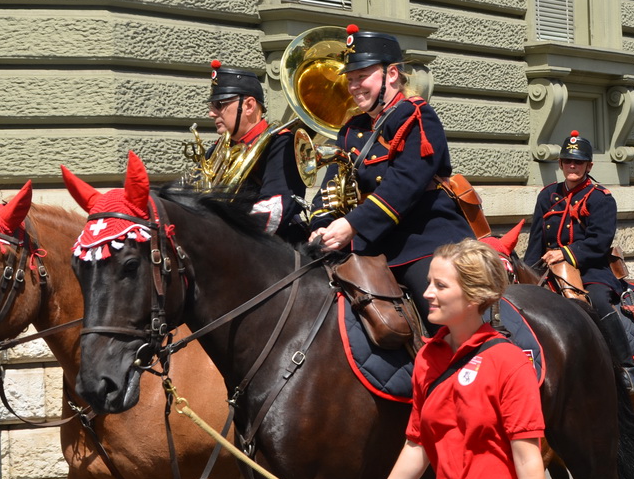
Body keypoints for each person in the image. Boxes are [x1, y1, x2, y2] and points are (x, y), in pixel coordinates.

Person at [343, 239, 560, 479]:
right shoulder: (428, 357)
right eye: (430, 282)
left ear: (474, 296)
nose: (427, 292)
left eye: (440, 285)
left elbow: (529, 458)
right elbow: (417, 443)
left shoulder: (508, 362)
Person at [309, 26, 474, 330]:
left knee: (443, 316)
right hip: (365, 245)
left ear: (392, 74)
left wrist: (352, 225)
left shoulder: (415, 116)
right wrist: (321, 226)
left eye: (362, 76)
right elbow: (330, 187)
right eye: (350, 79)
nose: (354, 86)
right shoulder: (351, 129)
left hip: (420, 240)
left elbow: (405, 184)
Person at [523, 131, 634, 392]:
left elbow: (599, 242)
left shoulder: (600, 197)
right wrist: (527, 275)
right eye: (567, 161)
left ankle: (626, 368)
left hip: (590, 268)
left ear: (589, 166)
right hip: (549, 268)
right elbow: (536, 242)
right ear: (560, 164)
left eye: (578, 162)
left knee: (598, 301)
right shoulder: (547, 195)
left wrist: (565, 253)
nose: (572, 166)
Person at [200, 60, 308, 243]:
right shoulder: (216, 150)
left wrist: (223, 235)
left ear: (249, 106)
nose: (212, 113)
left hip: (272, 248)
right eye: (211, 106)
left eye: (219, 105)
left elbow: (274, 208)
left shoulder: (280, 143)